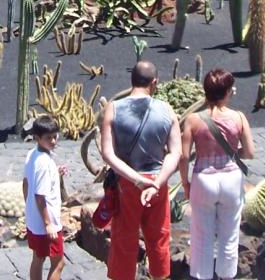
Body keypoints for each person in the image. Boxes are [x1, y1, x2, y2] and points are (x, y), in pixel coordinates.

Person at [100, 60, 182, 280]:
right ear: (154, 83)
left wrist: (137, 180)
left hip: (128, 183)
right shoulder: (167, 110)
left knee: (124, 239)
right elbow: (176, 153)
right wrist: (157, 182)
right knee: (159, 239)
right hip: (157, 181)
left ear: (131, 80)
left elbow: (107, 153)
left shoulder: (113, 109)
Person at [179, 69, 255, 280]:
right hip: (231, 178)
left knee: (201, 234)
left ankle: (201, 276)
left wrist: (185, 184)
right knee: (229, 234)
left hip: (204, 178)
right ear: (228, 92)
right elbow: (250, 152)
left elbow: (184, 157)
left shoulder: (193, 120)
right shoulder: (239, 117)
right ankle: (227, 276)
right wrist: (232, 153)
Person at [24, 115, 65, 280]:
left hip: (34, 221)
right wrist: (48, 225)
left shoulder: (32, 155)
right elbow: (40, 196)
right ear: (38, 138)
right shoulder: (44, 164)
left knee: (38, 258)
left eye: (55, 136)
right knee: (59, 262)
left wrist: (56, 172)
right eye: (49, 138)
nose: (53, 141)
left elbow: (26, 183)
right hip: (47, 223)